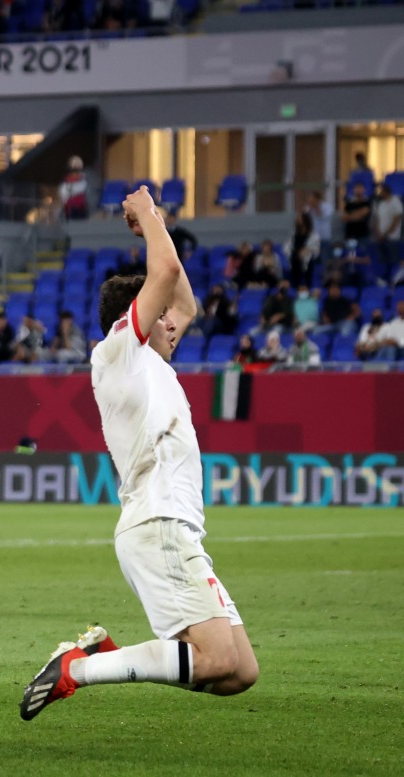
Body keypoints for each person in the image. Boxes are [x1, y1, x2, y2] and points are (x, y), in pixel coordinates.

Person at [20, 186, 258, 721]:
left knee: (239, 671)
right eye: (164, 316)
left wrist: (156, 226)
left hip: (177, 528)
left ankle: (107, 657)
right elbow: (167, 272)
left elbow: (186, 300)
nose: (177, 322)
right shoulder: (118, 352)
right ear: (141, 315)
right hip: (159, 522)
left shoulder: (153, 364)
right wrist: (148, 214)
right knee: (216, 657)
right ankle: (75, 669)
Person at [288, 212, 319, 289]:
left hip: (307, 256)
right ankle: (295, 285)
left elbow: (315, 249)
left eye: (299, 219)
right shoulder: (294, 234)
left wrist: (307, 250)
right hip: (295, 257)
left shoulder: (313, 235)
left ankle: (308, 286)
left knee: (307, 262)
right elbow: (288, 247)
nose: (297, 221)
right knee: (295, 260)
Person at [57, 156, 88, 221]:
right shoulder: (66, 182)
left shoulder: (84, 180)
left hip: (82, 209)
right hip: (71, 209)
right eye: (75, 166)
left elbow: (83, 187)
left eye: (78, 165)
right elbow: (63, 193)